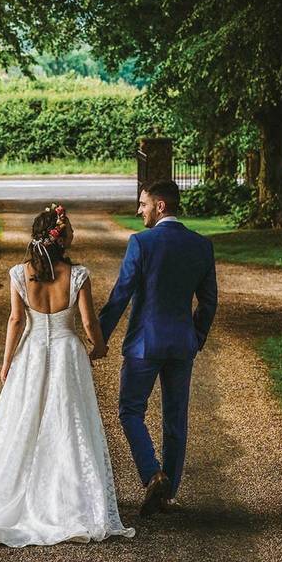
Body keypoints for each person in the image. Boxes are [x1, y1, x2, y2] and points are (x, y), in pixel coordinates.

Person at [0, 204, 135, 550]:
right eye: (70, 230)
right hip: (66, 352)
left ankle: (21, 492)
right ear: (61, 238)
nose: (74, 234)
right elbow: (89, 323)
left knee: (23, 421)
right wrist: (100, 346)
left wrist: (6, 363)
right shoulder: (77, 275)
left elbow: (16, 321)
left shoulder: (20, 273)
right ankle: (69, 499)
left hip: (31, 353)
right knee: (68, 420)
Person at [98, 179, 218, 517]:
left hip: (144, 344)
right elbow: (208, 302)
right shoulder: (200, 246)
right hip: (182, 344)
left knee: (130, 410)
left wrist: (100, 337)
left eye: (143, 204)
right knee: (175, 418)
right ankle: (168, 495)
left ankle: (153, 474)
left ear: (160, 206)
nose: (139, 211)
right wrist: (195, 337)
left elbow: (121, 294)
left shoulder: (142, 243)